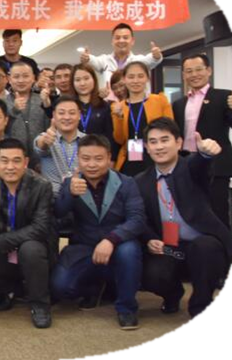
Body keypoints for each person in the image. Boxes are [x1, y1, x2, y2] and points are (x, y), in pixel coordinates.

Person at [136, 118, 232, 332]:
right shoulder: (140, 181)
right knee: (152, 274)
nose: (159, 147)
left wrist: (205, 154)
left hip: (201, 244)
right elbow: (140, 218)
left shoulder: (189, 168)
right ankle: (173, 294)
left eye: (165, 140)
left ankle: (201, 310)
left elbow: (201, 165)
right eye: (153, 142)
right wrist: (150, 238)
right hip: (170, 248)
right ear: (147, 148)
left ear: (179, 143)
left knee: (205, 248)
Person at [52, 134, 146, 330]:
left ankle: (126, 308)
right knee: (60, 287)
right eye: (86, 159)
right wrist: (69, 194)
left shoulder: (126, 182)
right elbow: (57, 214)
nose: (92, 164)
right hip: (83, 246)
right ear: (78, 158)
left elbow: (137, 220)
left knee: (129, 250)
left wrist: (111, 240)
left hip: (117, 244)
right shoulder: (71, 183)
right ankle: (95, 287)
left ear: (109, 158)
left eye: (98, 158)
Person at [0, 138, 55, 328]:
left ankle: (40, 305)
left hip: (33, 249)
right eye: (4, 161)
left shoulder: (42, 186)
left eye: (16, 161)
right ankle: (13, 289)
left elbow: (40, 228)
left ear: (26, 162)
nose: (10, 167)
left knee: (30, 249)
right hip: (5, 253)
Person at [172, 54, 232, 245]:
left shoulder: (225, 97)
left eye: (198, 69)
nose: (194, 74)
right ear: (183, 75)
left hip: (216, 166)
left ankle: (224, 257)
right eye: (189, 71)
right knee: (190, 212)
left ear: (209, 71)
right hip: (187, 165)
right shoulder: (178, 103)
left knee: (218, 214)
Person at [112, 61, 174, 176]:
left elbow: (171, 132)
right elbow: (119, 139)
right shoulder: (118, 107)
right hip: (129, 160)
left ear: (147, 78)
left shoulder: (160, 101)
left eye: (140, 76)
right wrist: (118, 117)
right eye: (131, 77)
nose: (136, 81)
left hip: (157, 158)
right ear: (124, 79)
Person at [81, 22, 163, 88]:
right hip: (110, 102)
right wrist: (87, 58)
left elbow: (152, 59)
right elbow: (93, 60)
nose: (121, 40)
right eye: (117, 38)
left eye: (125, 37)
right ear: (112, 41)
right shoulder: (104, 60)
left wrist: (156, 56)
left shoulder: (139, 61)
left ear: (132, 41)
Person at [34, 97, 85, 196]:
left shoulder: (88, 141)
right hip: (52, 197)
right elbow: (40, 146)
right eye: (61, 113)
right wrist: (45, 141)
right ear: (54, 115)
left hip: (81, 197)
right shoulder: (48, 137)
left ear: (79, 115)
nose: (67, 117)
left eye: (72, 113)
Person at [6, 62, 50, 165]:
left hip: (41, 160)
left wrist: (47, 106)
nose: (21, 80)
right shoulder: (2, 102)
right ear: (9, 79)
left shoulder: (42, 99)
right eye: (16, 77)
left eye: (25, 76)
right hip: (12, 160)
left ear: (33, 78)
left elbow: (49, 128)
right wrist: (14, 110)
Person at [72, 64, 115, 158]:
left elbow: (110, 136)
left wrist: (112, 159)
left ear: (94, 79)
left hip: (98, 156)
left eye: (86, 78)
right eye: (77, 80)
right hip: (73, 156)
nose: (82, 83)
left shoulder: (103, 105)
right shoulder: (70, 106)